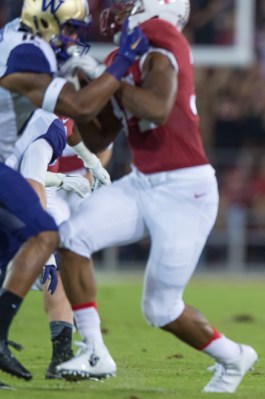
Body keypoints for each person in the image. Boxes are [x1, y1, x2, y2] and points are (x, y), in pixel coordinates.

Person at [55, 0, 257, 393]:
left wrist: (103, 73)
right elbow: (99, 137)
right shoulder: (122, 54)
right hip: (142, 181)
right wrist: (79, 88)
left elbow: (158, 108)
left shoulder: (162, 37)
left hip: (185, 190)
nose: (115, 8)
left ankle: (233, 356)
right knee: (70, 237)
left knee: (160, 309)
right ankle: (95, 350)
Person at [0, 0, 148, 381]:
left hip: (17, 167)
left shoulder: (22, 40)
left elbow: (68, 125)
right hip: (13, 169)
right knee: (47, 237)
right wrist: (120, 64)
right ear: (45, 21)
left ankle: (52, 350)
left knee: (15, 252)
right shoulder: (30, 54)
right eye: (67, 30)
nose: (72, 40)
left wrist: (90, 161)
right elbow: (78, 107)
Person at [1, 111, 111, 381]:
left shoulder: (48, 115)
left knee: (59, 264)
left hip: (15, 187)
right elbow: (32, 179)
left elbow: (68, 127)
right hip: (16, 190)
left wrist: (90, 161)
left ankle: (61, 354)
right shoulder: (41, 128)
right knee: (49, 260)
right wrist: (44, 250)